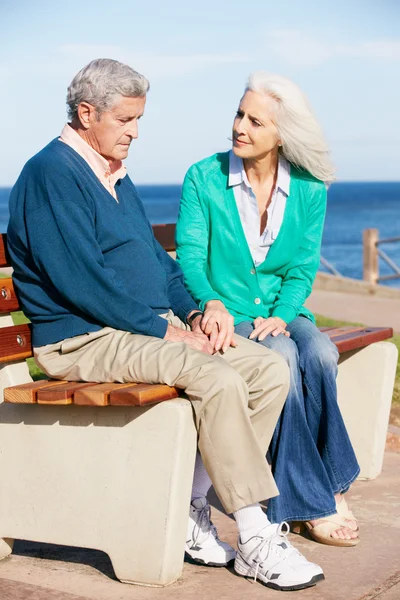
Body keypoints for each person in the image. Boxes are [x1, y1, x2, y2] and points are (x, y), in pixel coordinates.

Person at [7, 59, 325, 591]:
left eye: (138, 120)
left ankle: (191, 509)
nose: (135, 132)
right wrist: (166, 331)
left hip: (132, 328)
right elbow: (85, 284)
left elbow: (159, 264)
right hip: (82, 337)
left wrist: (201, 311)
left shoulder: (112, 172)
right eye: (125, 120)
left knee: (268, 371)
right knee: (218, 376)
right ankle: (254, 531)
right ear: (87, 114)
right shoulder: (53, 174)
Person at [176, 72, 360, 547]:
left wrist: (284, 312)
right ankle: (311, 501)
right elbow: (192, 257)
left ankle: (331, 483)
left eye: (255, 121)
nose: (240, 126)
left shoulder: (310, 188)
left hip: (282, 310)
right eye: (240, 114)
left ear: (282, 133)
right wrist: (210, 301)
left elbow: (301, 267)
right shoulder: (204, 177)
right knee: (281, 356)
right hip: (227, 311)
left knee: (318, 350)